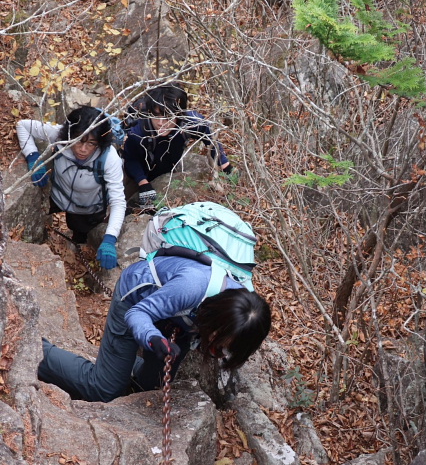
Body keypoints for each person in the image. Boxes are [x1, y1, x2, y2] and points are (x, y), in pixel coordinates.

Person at [38, 255, 271, 402]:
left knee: (151, 387)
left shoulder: (240, 309)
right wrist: (153, 338)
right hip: (135, 299)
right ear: (218, 322)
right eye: (223, 342)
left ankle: (123, 369)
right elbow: (137, 313)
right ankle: (37, 351)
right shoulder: (191, 287)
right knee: (105, 389)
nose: (222, 349)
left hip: (177, 316)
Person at [17, 106, 126, 270]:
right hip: (57, 196)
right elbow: (23, 126)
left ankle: (78, 241)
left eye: (91, 144)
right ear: (70, 134)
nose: (83, 149)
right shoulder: (61, 135)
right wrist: (33, 156)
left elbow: (118, 200)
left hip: (87, 207)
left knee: (80, 230)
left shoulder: (109, 158)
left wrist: (110, 238)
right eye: (79, 140)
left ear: (100, 143)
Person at [123, 82, 234, 207]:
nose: (160, 123)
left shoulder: (190, 122)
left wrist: (225, 164)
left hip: (169, 165)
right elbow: (130, 159)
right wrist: (142, 182)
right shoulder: (138, 131)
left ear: (179, 114)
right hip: (140, 170)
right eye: (156, 116)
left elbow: (209, 136)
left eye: (167, 117)